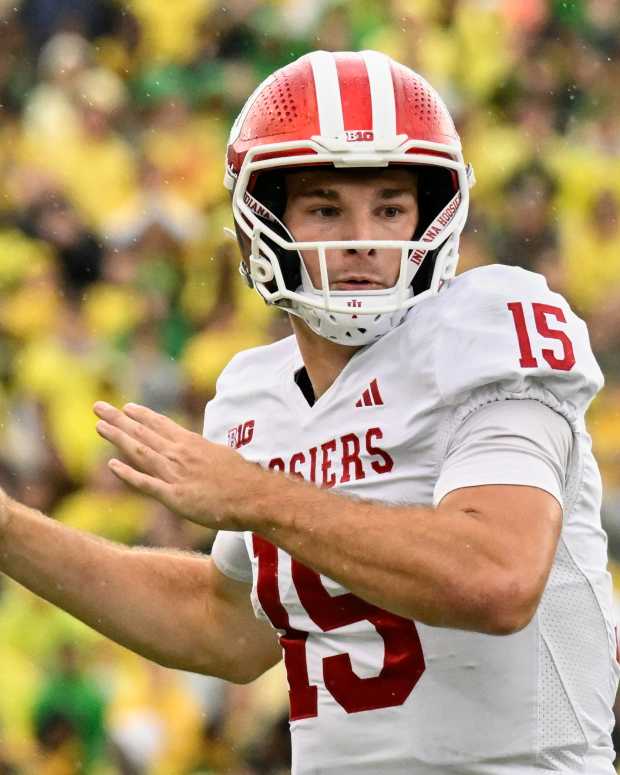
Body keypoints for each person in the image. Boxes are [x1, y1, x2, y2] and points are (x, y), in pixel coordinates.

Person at [0, 50, 617, 774]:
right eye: (326, 208)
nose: (363, 241)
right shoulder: (253, 395)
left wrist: (258, 496)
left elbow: (497, 576)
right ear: (263, 218)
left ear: (433, 217)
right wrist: (10, 531)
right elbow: (225, 629)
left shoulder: (491, 324)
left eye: (390, 208)